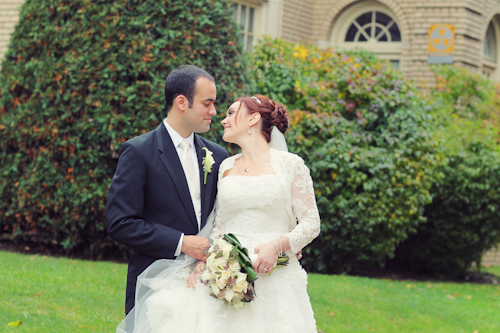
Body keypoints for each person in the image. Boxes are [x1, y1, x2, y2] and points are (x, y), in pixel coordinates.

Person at [116, 94, 321, 332]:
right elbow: (220, 226)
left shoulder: (291, 165)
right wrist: (203, 265)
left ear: (253, 118)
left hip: (275, 274)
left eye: (231, 113)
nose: (223, 120)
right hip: (226, 273)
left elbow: (311, 222)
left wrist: (279, 246)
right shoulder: (226, 165)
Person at [106, 65, 229, 314]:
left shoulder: (217, 154)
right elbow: (121, 223)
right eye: (207, 103)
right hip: (155, 284)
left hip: (208, 283)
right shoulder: (139, 151)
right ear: (182, 102)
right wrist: (182, 243)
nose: (213, 111)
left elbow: (229, 213)